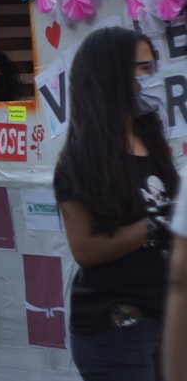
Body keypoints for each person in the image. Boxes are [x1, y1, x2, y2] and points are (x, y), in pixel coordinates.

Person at [53, 27, 177, 381]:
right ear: (111, 76)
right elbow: (86, 250)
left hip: (164, 316)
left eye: (153, 67)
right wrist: (156, 224)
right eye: (142, 69)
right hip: (118, 328)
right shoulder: (81, 159)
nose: (152, 78)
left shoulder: (149, 139)